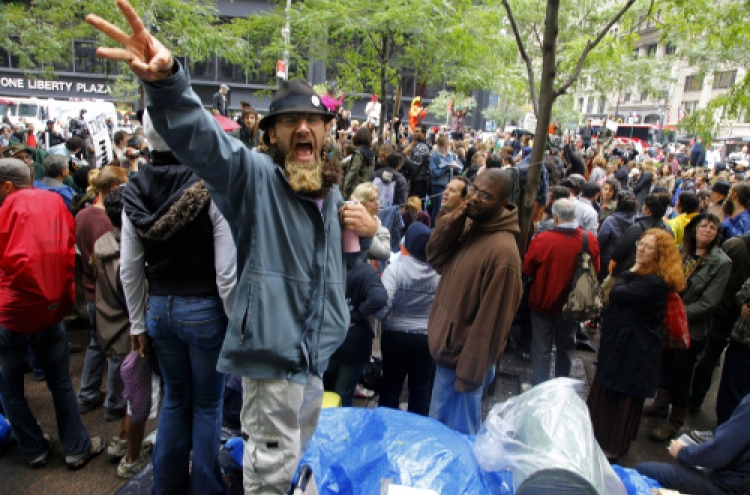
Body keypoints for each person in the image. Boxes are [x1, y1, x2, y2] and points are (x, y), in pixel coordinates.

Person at [86, 5, 377, 493]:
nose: (303, 128)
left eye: (312, 119)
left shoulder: (331, 193)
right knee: (269, 470)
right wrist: (168, 83)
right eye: (289, 122)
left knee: (295, 452)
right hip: (271, 358)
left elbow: (344, 257)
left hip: (314, 355)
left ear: (328, 132)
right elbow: (203, 143)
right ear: (271, 135)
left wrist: (368, 234)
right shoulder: (256, 180)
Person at [120, 111, 237, 494]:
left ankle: (166, 486)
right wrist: (237, 321)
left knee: (174, 400)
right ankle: (206, 487)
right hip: (204, 310)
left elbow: (130, 267)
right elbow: (227, 273)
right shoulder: (210, 184)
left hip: (159, 311)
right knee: (206, 405)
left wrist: (138, 324)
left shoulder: (134, 187)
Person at [0, 158, 104, 469]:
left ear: (7, 186)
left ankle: (33, 448)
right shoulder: (53, 202)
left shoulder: (5, 210)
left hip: (11, 313)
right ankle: (76, 447)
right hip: (52, 306)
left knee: (11, 388)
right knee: (59, 382)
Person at [426, 169, 523, 434]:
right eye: (473, 190)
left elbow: (492, 324)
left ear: (503, 203)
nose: (475, 199)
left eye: (485, 196)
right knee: (437, 433)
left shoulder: (504, 254)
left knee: (459, 436)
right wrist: (453, 221)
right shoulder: (471, 224)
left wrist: (469, 376)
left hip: (463, 365)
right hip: (448, 353)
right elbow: (434, 258)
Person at [588, 229, 685, 460]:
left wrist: (629, 271)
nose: (641, 249)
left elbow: (619, 293)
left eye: (648, 247)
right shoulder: (644, 275)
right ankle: (601, 439)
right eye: (641, 244)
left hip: (633, 350)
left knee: (621, 399)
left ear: (659, 254)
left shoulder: (654, 281)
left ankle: (613, 446)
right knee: (610, 393)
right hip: (622, 345)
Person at [650, 213, 731, 442]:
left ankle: (675, 420)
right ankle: (660, 404)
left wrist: (678, 314)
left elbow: (710, 303)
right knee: (664, 365)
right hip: (666, 322)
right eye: (703, 226)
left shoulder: (721, 262)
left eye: (712, 228)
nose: (707, 230)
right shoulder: (681, 251)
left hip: (690, 330)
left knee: (681, 373)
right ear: (694, 229)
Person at [523, 198, 601, 385]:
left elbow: (527, 269)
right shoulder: (588, 239)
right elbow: (595, 270)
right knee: (566, 346)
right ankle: (561, 386)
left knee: (542, 347)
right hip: (573, 304)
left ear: (555, 218)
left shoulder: (543, 239)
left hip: (543, 301)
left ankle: (539, 385)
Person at [76, 166, 129, 421]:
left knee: (97, 344)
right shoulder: (107, 221)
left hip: (90, 292)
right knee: (118, 347)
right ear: (111, 190)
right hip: (107, 294)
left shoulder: (82, 215)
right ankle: (114, 402)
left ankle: (87, 394)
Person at [377, 222, 439, 415]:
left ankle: (385, 432)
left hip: (395, 337)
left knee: (390, 386)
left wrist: (387, 318)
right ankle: (415, 435)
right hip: (425, 339)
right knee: (421, 390)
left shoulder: (395, 270)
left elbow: (382, 306)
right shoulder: (439, 272)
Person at [637, 394, 750, 495]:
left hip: (729, 486)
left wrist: (682, 452)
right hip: (740, 482)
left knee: (644, 469)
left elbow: (720, 453)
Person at [323, 255, 386, 407]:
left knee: (323, 391)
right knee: (344, 392)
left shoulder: (325, 264)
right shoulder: (365, 271)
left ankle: (323, 427)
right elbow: (379, 297)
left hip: (327, 338)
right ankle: (342, 429)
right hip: (354, 342)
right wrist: (357, 314)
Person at [597, 190, 636, 281]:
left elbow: (600, 241)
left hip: (607, 260)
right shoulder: (635, 218)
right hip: (625, 261)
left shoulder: (611, 220)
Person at [403, 123, 432, 200]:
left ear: (424, 134)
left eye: (417, 131)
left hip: (419, 181)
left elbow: (414, 166)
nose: (414, 133)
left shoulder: (422, 147)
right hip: (416, 181)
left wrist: (405, 159)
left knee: (415, 205)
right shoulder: (417, 145)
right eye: (414, 131)